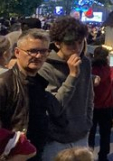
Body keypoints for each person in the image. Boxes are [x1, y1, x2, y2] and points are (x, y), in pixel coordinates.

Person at [0, 30, 79, 161]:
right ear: (17, 52)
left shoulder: (39, 82)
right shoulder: (5, 83)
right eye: (32, 51)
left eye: (43, 51)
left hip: (35, 153)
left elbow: (56, 109)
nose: (38, 56)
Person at [39, 18, 93, 161]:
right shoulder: (45, 67)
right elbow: (55, 107)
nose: (77, 48)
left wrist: (87, 123)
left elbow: (89, 96)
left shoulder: (85, 62)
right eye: (70, 44)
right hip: (55, 139)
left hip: (81, 134)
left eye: (80, 42)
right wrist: (72, 75)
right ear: (57, 43)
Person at [88, 47, 113, 161]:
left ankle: (88, 155)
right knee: (105, 133)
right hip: (106, 105)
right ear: (106, 57)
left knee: (90, 132)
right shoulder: (111, 70)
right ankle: (103, 156)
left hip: (92, 106)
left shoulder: (90, 70)